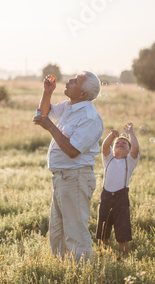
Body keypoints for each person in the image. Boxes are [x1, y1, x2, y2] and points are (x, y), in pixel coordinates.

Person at [33, 71, 103, 261]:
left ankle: (83, 275)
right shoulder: (69, 106)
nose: (69, 81)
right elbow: (44, 113)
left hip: (76, 178)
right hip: (62, 178)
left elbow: (73, 151)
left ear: (83, 94)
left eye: (75, 81)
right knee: (57, 232)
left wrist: (50, 127)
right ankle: (64, 272)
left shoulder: (90, 118)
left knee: (75, 233)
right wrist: (47, 92)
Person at [95, 123, 140, 257]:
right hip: (106, 198)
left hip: (121, 200)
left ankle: (124, 258)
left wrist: (130, 132)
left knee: (122, 234)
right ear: (113, 150)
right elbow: (104, 146)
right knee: (103, 233)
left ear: (128, 151)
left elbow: (136, 147)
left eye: (124, 143)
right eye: (117, 143)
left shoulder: (129, 162)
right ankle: (102, 257)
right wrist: (111, 136)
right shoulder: (108, 159)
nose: (120, 143)